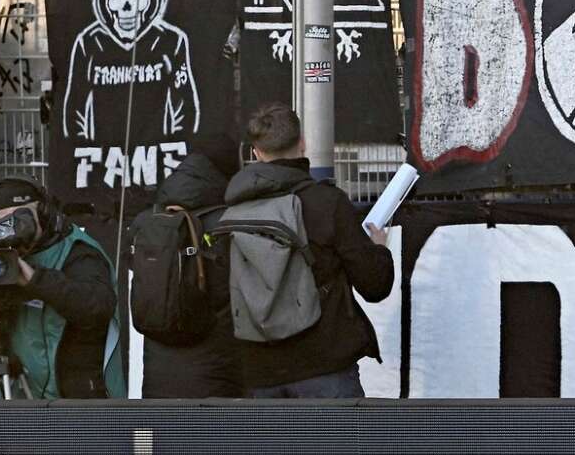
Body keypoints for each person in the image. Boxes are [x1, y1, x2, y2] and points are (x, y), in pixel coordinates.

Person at [227, 104, 394, 399]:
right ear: (303, 143)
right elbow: (374, 285)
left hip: (260, 371)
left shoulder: (234, 213)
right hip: (326, 366)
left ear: (255, 152)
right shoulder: (328, 203)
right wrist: (379, 249)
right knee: (338, 447)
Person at [128, 134, 244, 398]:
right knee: (214, 439)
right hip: (218, 372)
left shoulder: (147, 221)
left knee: (162, 439)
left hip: (158, 373)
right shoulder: (229, 222)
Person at [0, 178, 123, 399]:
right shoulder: (1, 260)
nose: (14, 230)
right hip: (26, 394)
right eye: (4, 224)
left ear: (44, 213)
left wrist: (35, 281)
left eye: (20, 219)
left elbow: (97, 306)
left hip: (81, 398)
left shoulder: (79, 251)